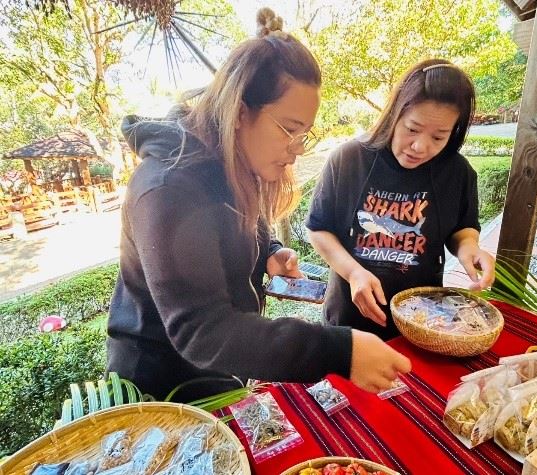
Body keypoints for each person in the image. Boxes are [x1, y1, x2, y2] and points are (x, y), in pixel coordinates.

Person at [106, 8, 411, 401]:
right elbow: (204, 331)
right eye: (289, 129)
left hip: (218, 369)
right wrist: (340, 350)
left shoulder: (231, 159)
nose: (297, 150)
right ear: (239, 111)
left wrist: (268, 252)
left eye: (304, 133)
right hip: (160, 389)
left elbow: (233, 224)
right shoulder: (167, 189)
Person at [306, 59, 495, 341]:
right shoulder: (349, 159)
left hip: (422, 322)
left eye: (438, 137)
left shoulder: (458, 172)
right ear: (395, 113)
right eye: (412, 129)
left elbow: (463, 228)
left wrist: (469, 248)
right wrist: (354, 272)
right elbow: (318, 229)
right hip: (348, 322)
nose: (420, 146)